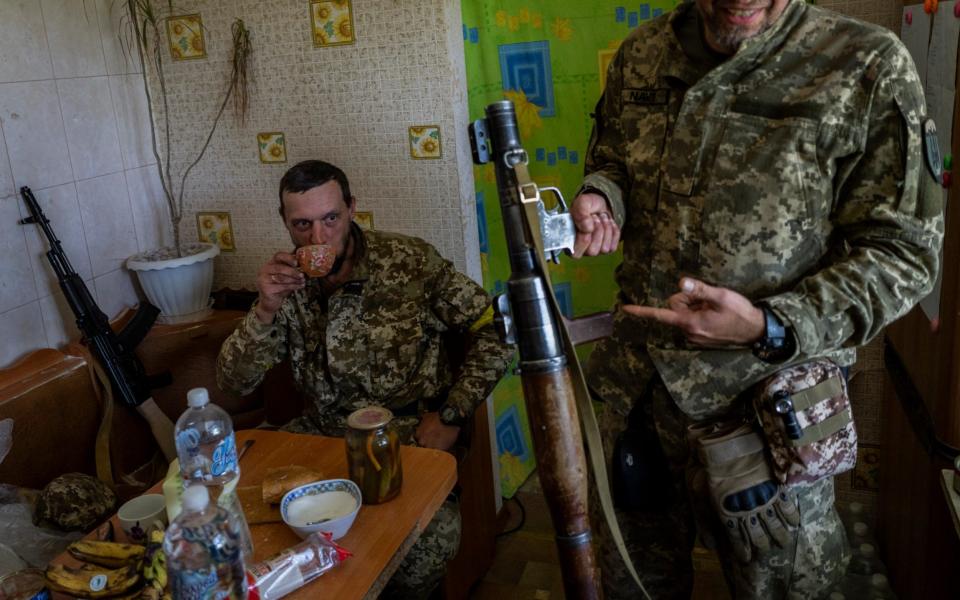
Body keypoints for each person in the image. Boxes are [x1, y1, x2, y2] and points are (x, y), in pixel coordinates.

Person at [570, 0, 944, 598]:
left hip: (769, 406)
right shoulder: (642, 53)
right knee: (631, 585)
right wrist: (601, 196)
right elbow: (613, 157)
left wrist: (770, 325)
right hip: (637, 393)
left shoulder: (866, 64)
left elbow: (905, 256)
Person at [217, 160, 513, 599]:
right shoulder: (284, 284)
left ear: (352, 208)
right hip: (319, 436)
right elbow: (233, 383)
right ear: (285, 222)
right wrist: (264, 310)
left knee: (424, 550)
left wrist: (452, 414)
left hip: (405, 438)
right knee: (236, 525)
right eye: (302, 225)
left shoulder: (409, 262)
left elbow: (497, 328)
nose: (318, 238)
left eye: (330, 219)